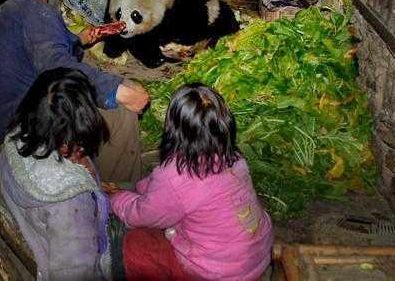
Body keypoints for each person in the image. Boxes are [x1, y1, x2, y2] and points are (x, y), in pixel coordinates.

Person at [0, 0, 148, 182]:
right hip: (17, 139)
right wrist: (116, 90)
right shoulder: (34, 9)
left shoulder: (3, 19)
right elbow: (55, 65)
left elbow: (42, 51)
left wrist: (79, 40)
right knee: (120, 111)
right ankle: (115, 192)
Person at [108, 84, 274, 280]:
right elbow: (166, 189)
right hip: (257, 258)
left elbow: (138, 215)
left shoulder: (176, 175)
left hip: (220, 273)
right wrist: (143, 188)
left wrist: (116, 198)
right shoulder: (235, 158)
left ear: (173, 127)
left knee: (137, 244)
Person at [0, 68, 112, 280]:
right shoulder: (70, 202)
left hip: (40, 236)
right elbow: (76, 273)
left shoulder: (17, 138)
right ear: (68, 140)